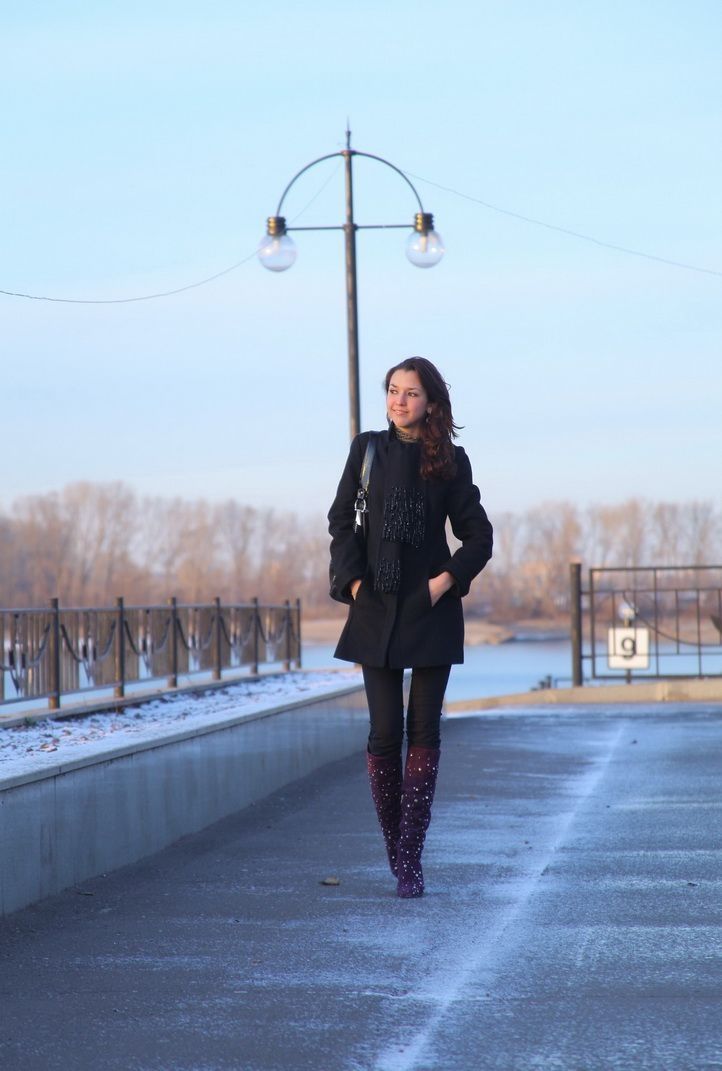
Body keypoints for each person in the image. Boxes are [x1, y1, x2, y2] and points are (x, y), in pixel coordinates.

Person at [328, 356, 493, 898]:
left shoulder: (450, 460)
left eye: (411, 393)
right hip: (374, 607)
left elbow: (478, 536)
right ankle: (395, 848)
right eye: (393, 391)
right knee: (382, 733)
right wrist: (354, 587)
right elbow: (340, 523)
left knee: (423, 732)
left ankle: (411, 858)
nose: (400, 401)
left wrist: (443, 584)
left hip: (430, 612)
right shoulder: (367, 449)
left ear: (431, 402)